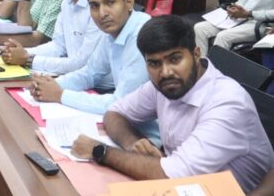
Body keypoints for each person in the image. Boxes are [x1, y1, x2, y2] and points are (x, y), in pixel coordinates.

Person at [71, 15, 274, 193]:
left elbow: (173, 175)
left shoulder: (227, 103)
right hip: (186, 187)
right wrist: (132, 144)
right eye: (154, 63)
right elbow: (114, 113)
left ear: (196, 54)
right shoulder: (164, 85)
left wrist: (101, 151)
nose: (166, 72)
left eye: (175, 59)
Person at [29, 0, 158, 140]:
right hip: (124, 125)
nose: (102, 13)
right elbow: (90, 72)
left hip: (149, 137)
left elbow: (120, 103)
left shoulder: (142, 35)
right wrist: (51, 85)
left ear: (129, 2)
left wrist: (60, 95)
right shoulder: (112, 31)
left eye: (110, 3)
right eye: (94, 6)